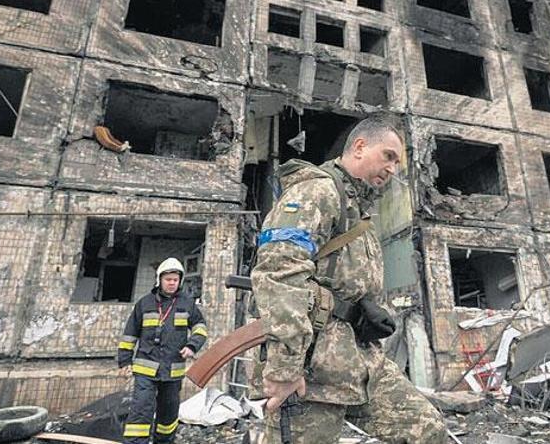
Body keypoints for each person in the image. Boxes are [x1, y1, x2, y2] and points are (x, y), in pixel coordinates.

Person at [251, 113, 446, 443]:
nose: (393, 169)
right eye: (388, 156)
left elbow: (341, 279)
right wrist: (284, 369)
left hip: (361, 364)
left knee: (427, 429)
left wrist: (364, 308)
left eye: (398, 163)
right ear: (359, 147)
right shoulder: (318, 192)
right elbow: (279, 273)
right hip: (312, 370)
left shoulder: (359, 211)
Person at [117, 257, 208, 443]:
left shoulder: (187, 303)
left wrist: (192, 346)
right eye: (168, 279)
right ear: (159, 280)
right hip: (145, 369)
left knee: (168, 414)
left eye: (175, 280)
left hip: (173, 370)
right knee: (141, 410)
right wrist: (125, 361)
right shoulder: (144, 303)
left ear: (180, 281)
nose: (172, 283)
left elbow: (200, 327)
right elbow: (130, 334)